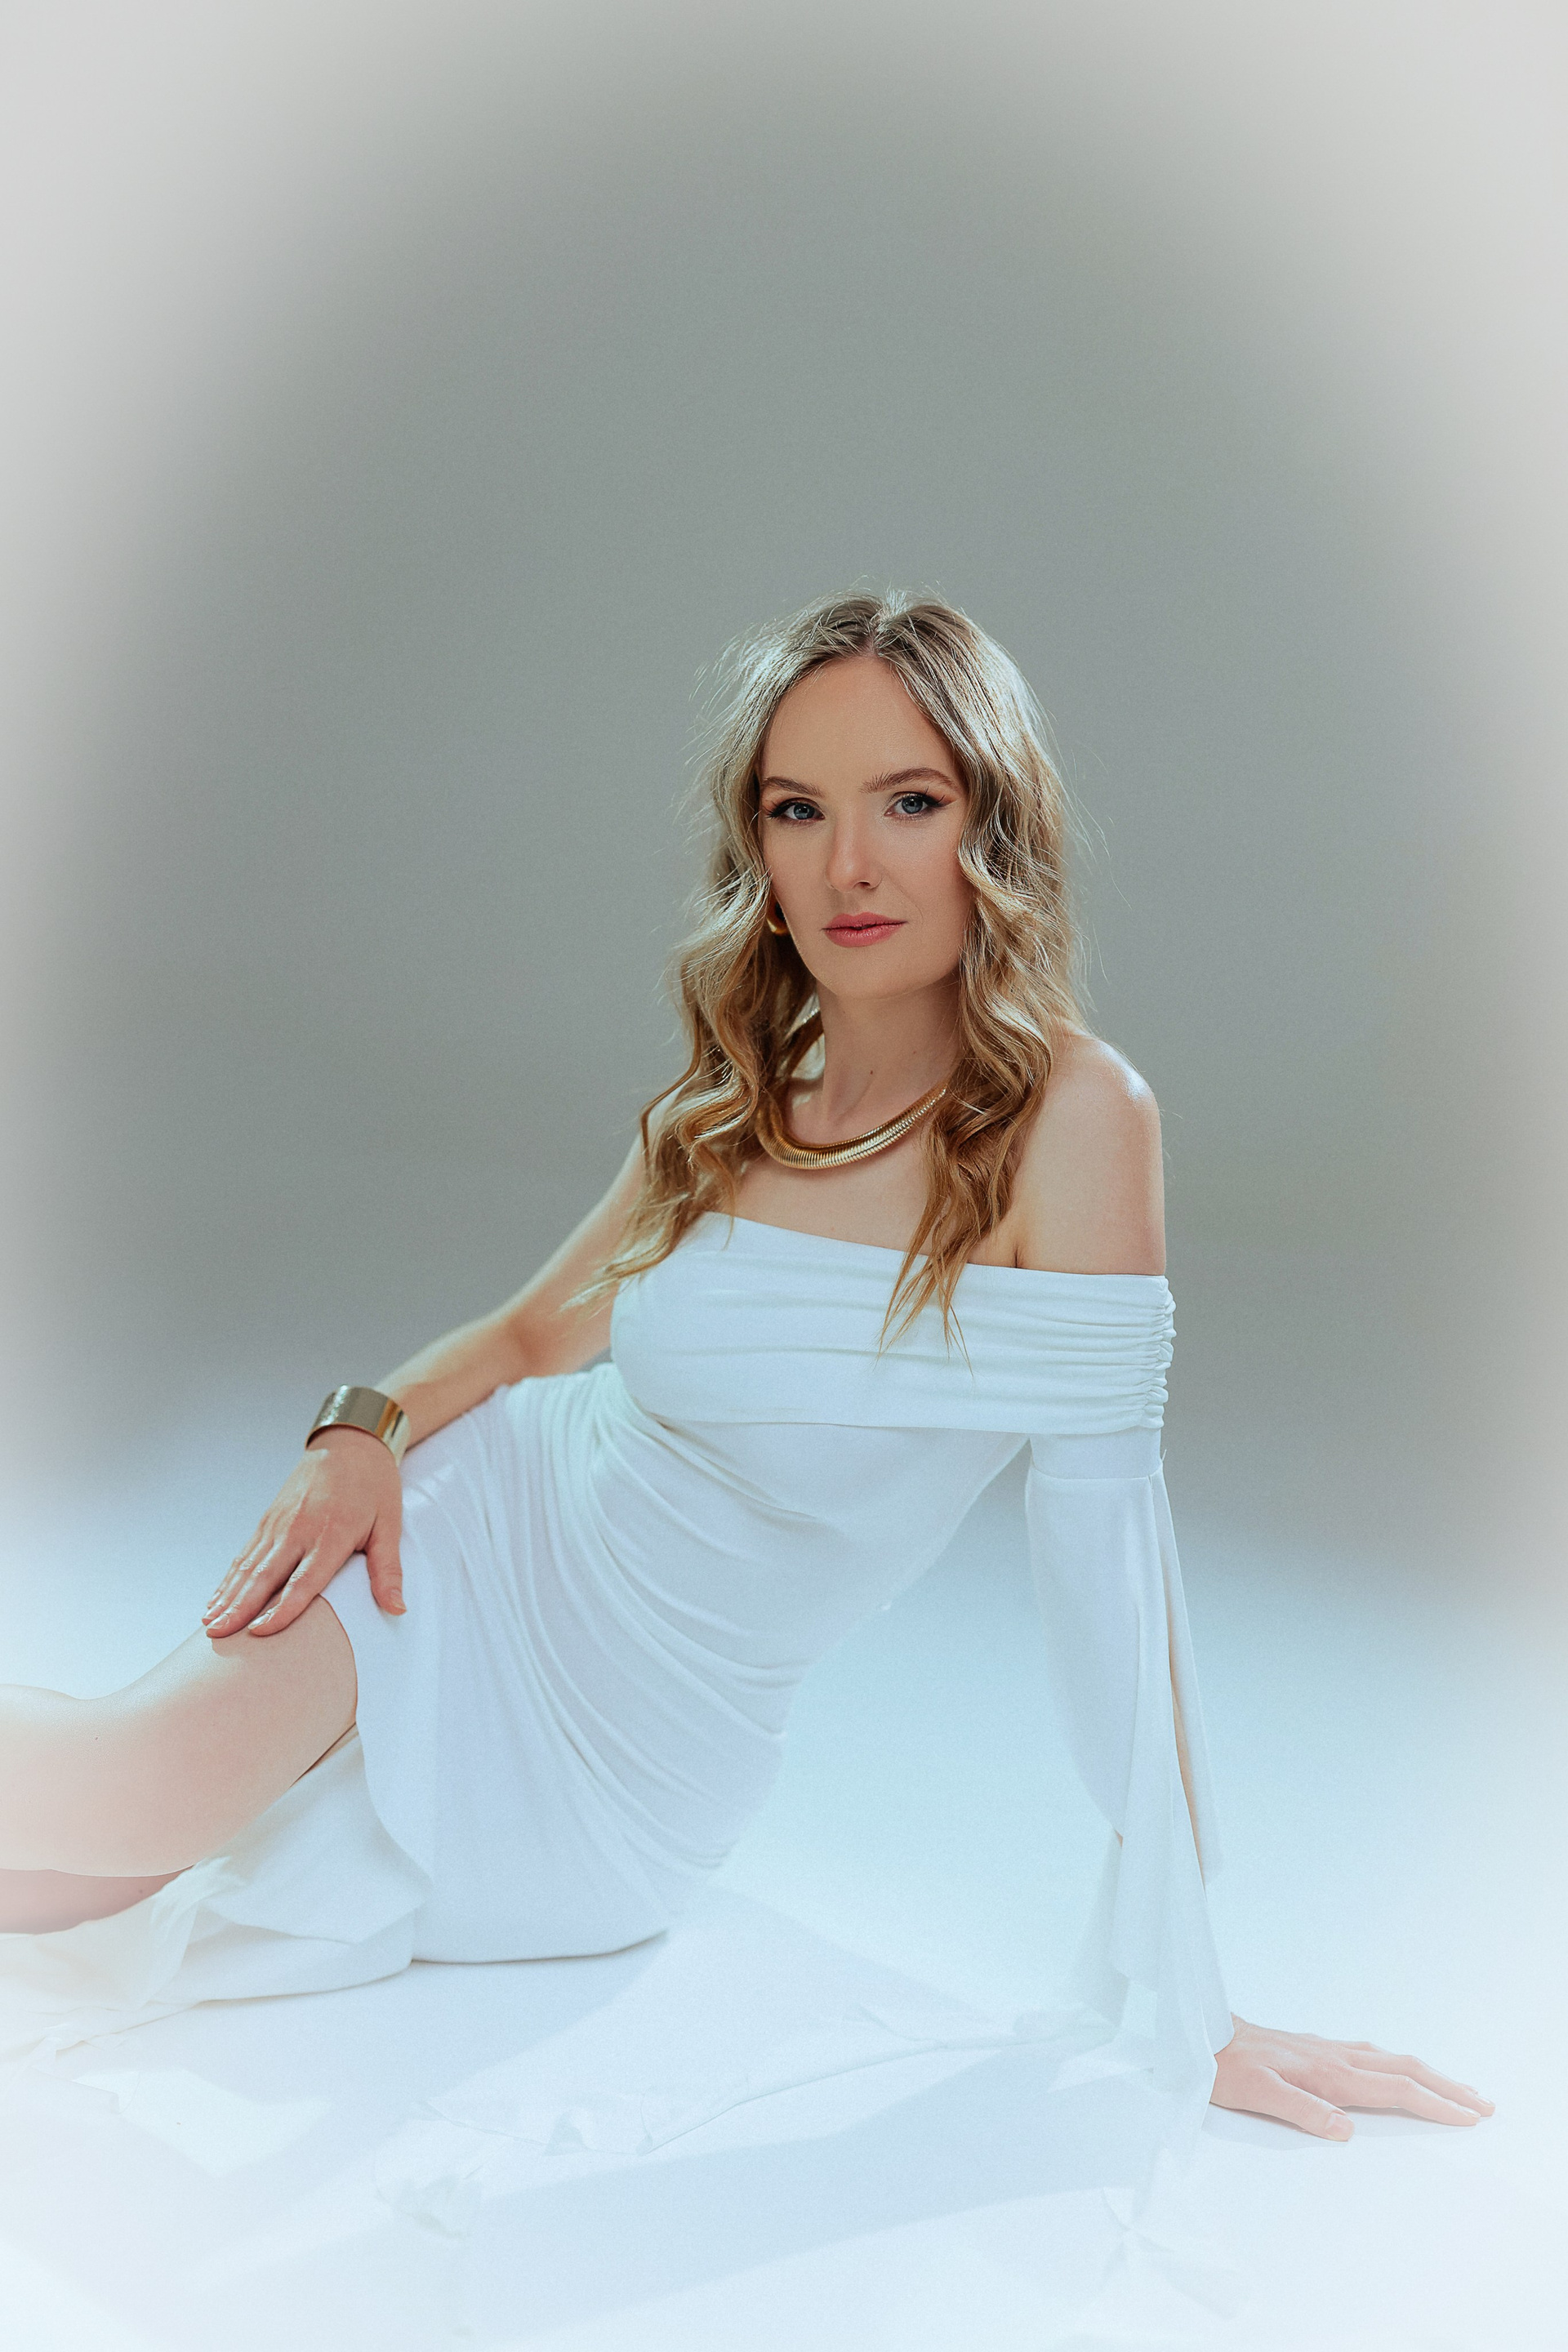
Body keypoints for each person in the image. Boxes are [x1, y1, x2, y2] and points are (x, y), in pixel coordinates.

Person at [0, 591, 1488, 2142]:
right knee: (120, 1816)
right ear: (758, 851)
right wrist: (357, 1432)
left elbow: (1112, 1554)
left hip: (639, 1775)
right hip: (470, 1549)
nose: (850, 865)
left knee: (99, 1877)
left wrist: (1190, 1988)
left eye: (909, 802)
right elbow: (525, 1338)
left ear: (992, 825)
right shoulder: (733, 1107)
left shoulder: (1076, 1123)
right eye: (799, 809)